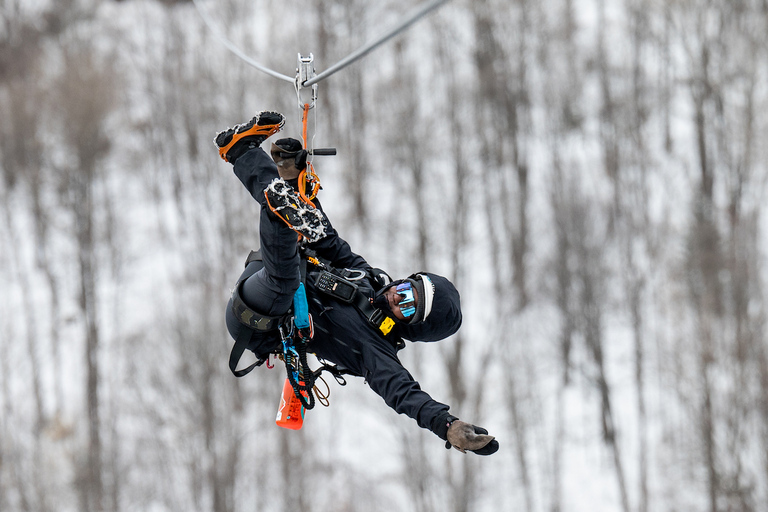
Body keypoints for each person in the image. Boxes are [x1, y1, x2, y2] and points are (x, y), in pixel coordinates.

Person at [215, 111, 498, 455]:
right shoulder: (368, 278)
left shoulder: (376, 350)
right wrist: (297, 177)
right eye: (407, 288)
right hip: (264, 275)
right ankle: (280, 184)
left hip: (261, 318)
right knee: (310, 231)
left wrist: (447, 425)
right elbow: (329, 244)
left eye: (407, 306)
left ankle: (250, 163)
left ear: (410, 327)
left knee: (285, 276)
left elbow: (404, 392)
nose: (397, 296)